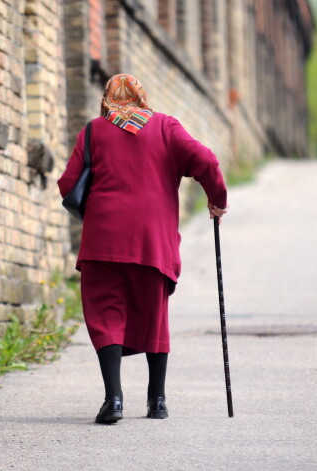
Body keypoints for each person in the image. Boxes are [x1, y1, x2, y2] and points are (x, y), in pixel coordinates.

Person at [57, 73, 228, 424]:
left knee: (106, 314)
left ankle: (114, 400)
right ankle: (158, 401)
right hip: (154, 242)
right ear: (142, 97)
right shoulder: (166, 127)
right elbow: (207, 161)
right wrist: (217, 200)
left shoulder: (93, 130)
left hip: (103, 240)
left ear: (107, 98)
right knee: (155, 317)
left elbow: (68, 184)